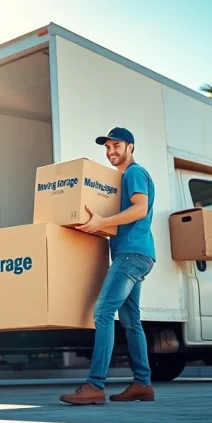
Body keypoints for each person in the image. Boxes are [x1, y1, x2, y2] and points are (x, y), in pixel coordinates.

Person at [59, 126, 157, 405]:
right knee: (131, 321)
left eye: (116, 146)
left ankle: (95, 385)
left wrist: (102, 222)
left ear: (131, 147)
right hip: (138, 254)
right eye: (107, 147)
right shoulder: (121, 178)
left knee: (103, 312)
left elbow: (140, 208)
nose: (110, 151)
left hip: (131, 255)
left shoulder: (134, 173)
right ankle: (143, 384)